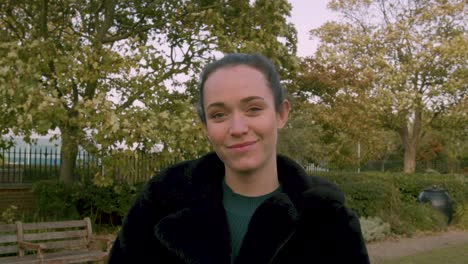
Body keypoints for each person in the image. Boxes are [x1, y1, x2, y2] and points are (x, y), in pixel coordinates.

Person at [108, 53, 370, 263]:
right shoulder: (160, 203)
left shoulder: (328, 220)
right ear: (205, 126)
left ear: (281, 113)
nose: (237, 128)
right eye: (219, 115)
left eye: (253, 109)